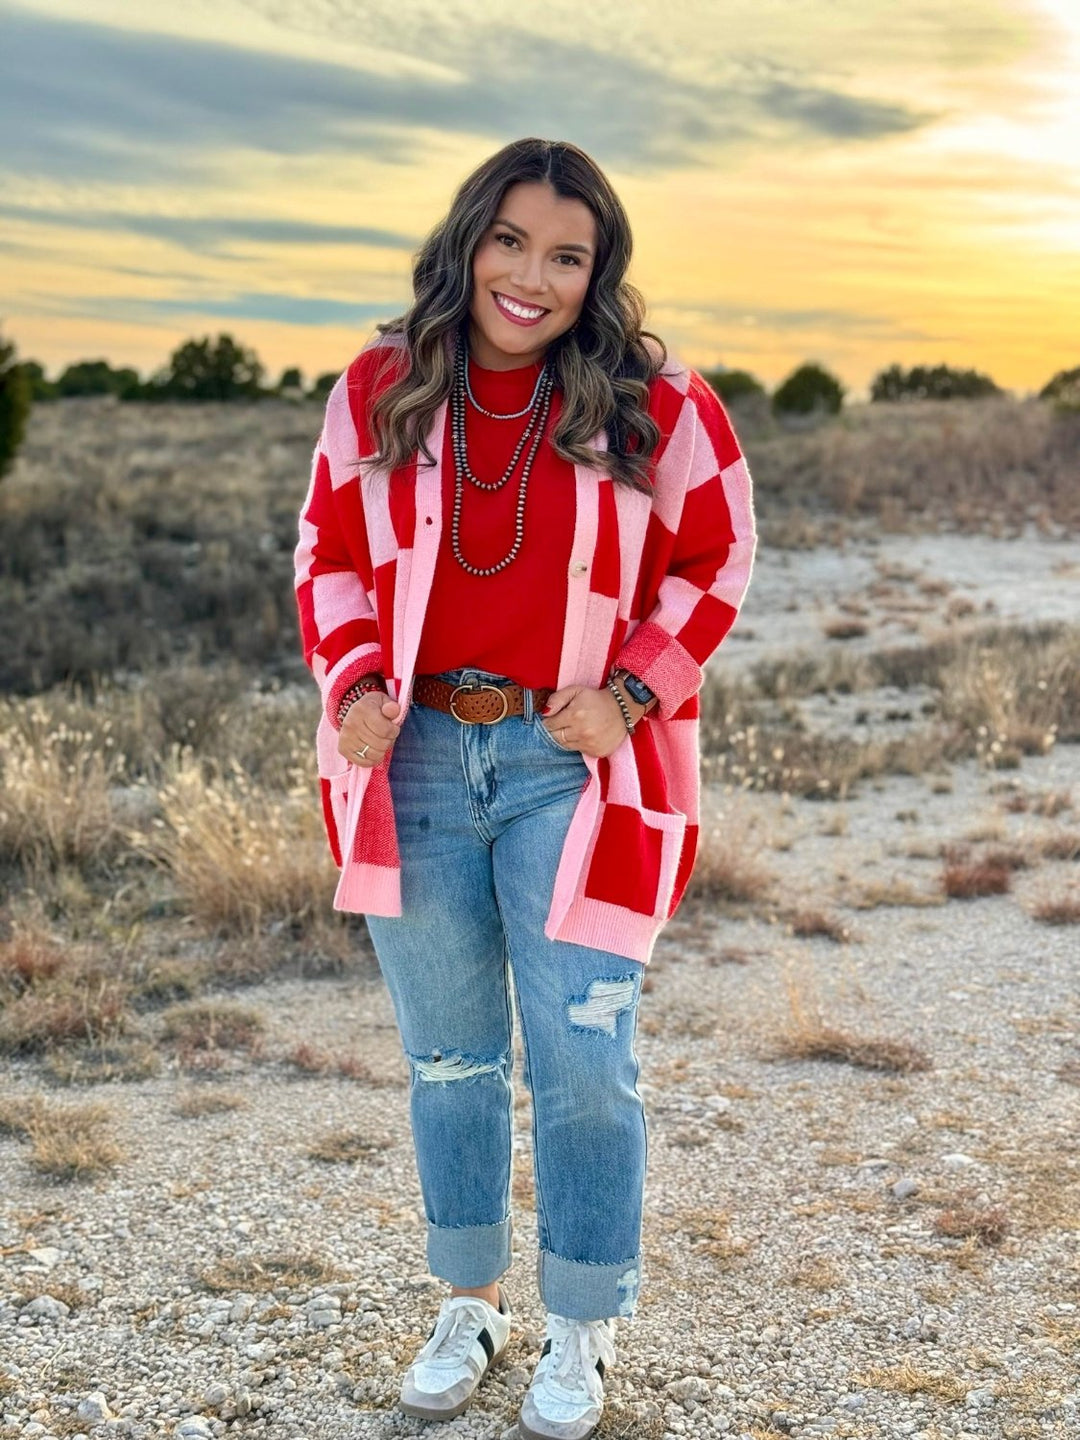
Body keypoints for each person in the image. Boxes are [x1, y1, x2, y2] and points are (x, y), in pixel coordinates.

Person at [294, 136, 756, 1440]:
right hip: (418, 759)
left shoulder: (654, 403)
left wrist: (636, 693)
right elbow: (326, 552)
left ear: (597, 271)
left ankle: (584, 1323)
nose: (532, 277)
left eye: (568, 254)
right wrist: (355, 677)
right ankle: (470, 1301)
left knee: (586, 1058)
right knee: (449, 1060)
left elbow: (716, 561)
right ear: (469, 240)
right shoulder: (381, 385)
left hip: (576, 762)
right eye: (511, 241)